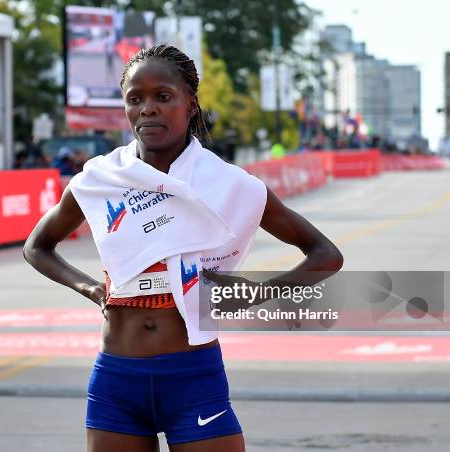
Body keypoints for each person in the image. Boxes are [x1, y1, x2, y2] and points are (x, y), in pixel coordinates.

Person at [23, 45, 343, 452]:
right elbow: (37, 247)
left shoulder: (229, 184)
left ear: (190, 104)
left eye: (163, 96)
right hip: (117, 380)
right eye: (135, 98)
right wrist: (89, 288)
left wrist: (250, 294)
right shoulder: (100, 180)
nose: (148, 109)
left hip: (193, 377)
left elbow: (325, 254)